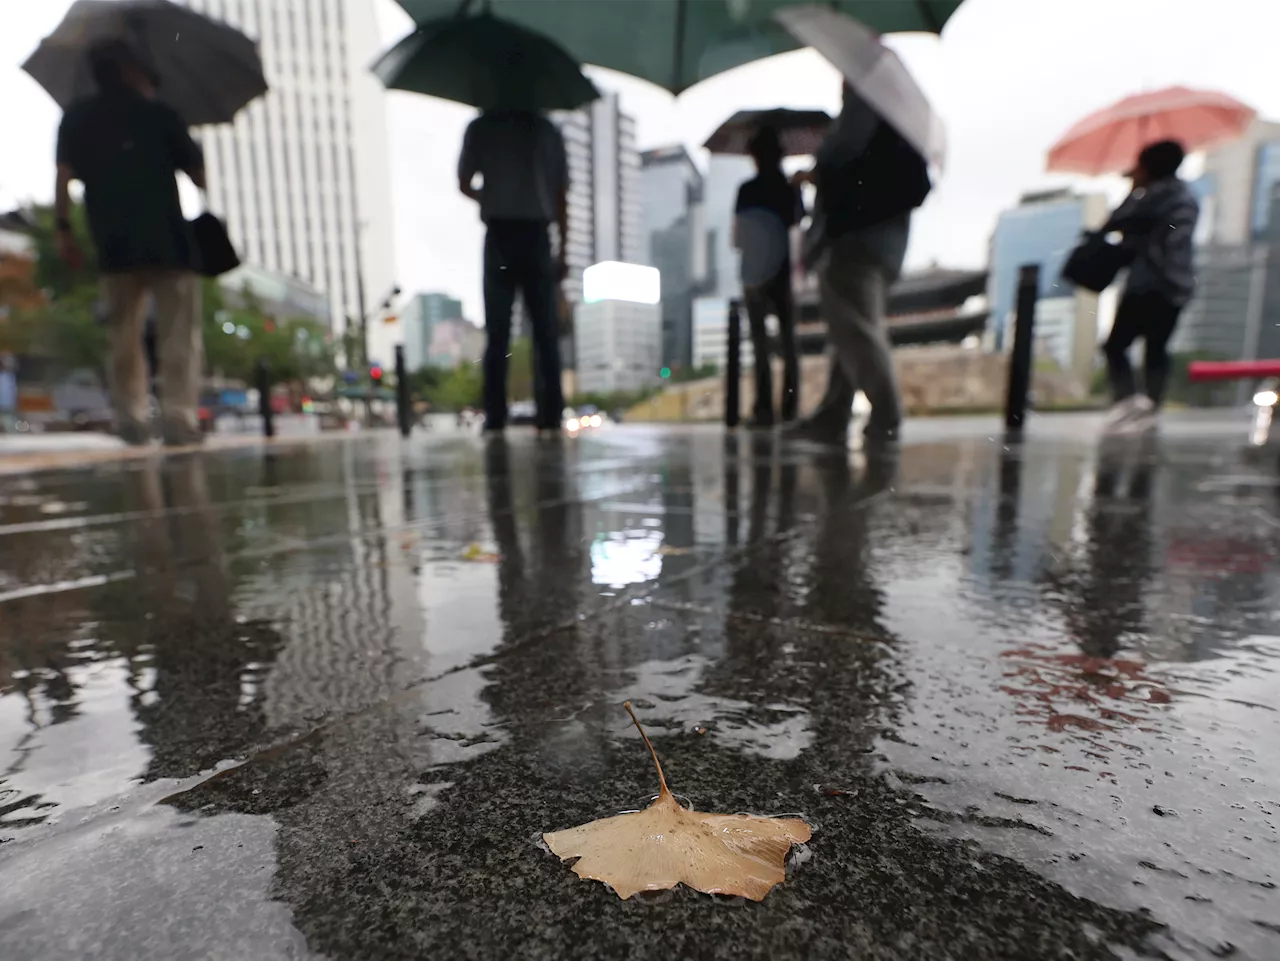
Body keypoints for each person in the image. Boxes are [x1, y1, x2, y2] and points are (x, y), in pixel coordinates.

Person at [55, 40, 207, 447]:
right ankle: (178, 415)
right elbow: (199, 175)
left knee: (122, 335)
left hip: (113, 241)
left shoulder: (77, 118)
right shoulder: (159, 114)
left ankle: (131, 417)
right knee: (178, 333)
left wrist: (63, 230)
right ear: (130, 70)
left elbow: (63, 176)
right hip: (168, 241)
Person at [787, 84, 930, 448]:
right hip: (883, 242)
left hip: (853, 238)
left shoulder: (865, 110)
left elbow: (840, 160)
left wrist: (815, 174)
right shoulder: (899, 120)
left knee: (857, 330)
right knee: (846, 331)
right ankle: (834, 412)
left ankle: (885, 413)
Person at [458, 108, 569, 433]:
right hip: (536, 236)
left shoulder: (481, 127)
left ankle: (495, 415)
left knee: (498, 332)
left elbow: (463, 183)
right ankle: (551, 414)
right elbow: (562, 195)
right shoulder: (548, 130)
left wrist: (489, 196)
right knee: (545, 333)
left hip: (500, 235)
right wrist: (564, 248)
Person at [1100, 139, 1199, 434]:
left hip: (1148, 283)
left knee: (1115, 345)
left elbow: (1116, 222)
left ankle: (1129, 401)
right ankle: (1151, 406)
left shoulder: (1153, 196)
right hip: (1178, 285)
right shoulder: (1186, 196)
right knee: (1157, 347)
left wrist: (1133, 189)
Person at [733, 126, 804, 426]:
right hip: (781, 271)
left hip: (753, 272)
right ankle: (790, 408)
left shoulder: (746, 191)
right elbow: (798, 220)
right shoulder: (788, 189)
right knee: (788, 342)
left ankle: (763, 409)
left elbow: (737, 238)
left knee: (760, 345)